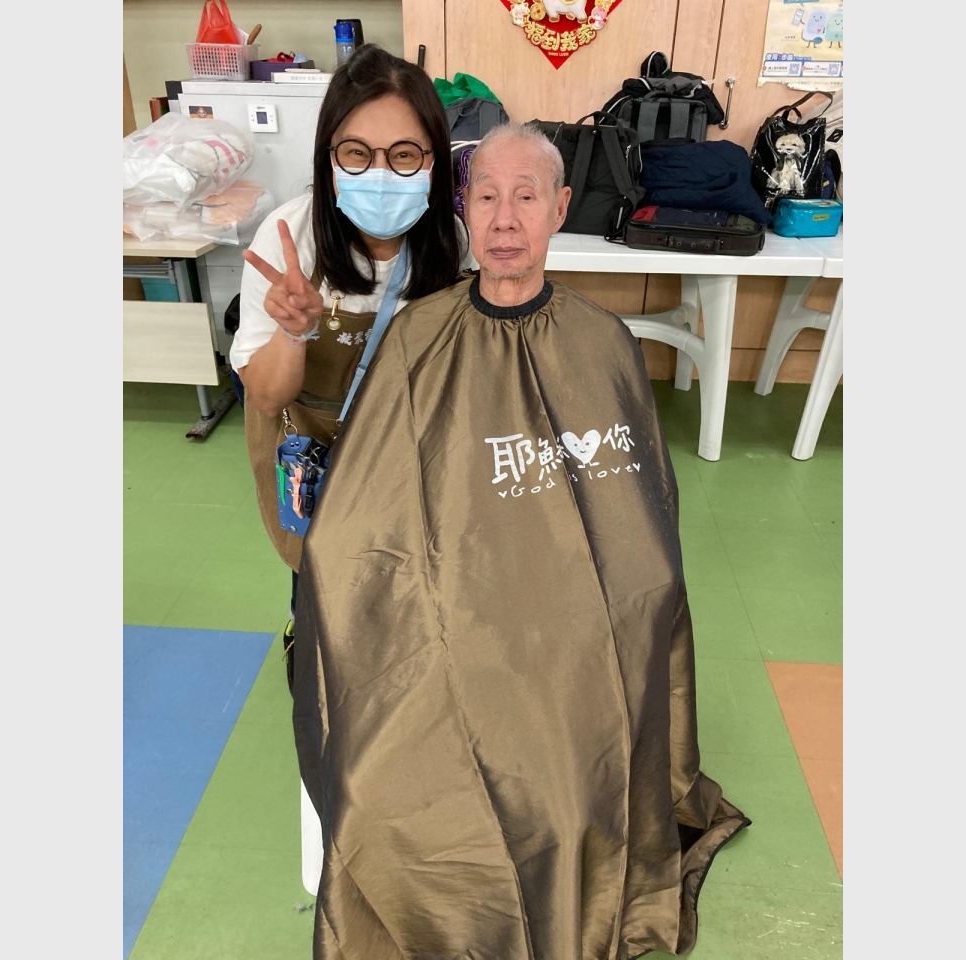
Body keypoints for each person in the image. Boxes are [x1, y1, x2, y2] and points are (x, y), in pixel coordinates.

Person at [290, 123, 749, 959]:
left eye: (526, 197)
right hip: (457, 616)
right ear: (464, 210)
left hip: (576, 630)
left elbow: (644, 524)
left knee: (585, 716)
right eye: (488, 197)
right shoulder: (417, 340)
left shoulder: (604, 344)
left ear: (559, 209)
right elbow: (362, 521)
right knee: (381, 792)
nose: (505, 219)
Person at [231, 44, 471, 675]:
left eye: (405, 154)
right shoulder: (290, 241)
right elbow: (265, 396)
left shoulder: (451, 244)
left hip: (406, 448)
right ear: (329, 156)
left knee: (402, 575)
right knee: (318, 576)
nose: (381, 173)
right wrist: (294, 333)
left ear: (433, 161)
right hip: (312, 451)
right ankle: (305, 626)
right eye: (358, 153)